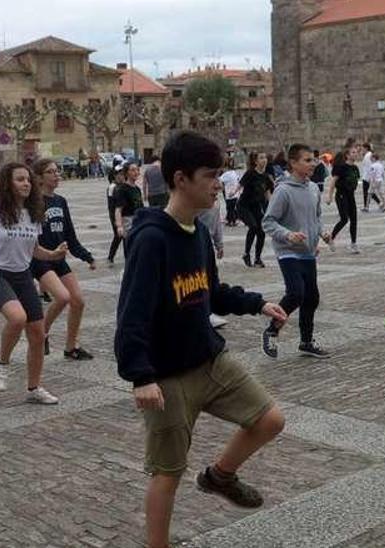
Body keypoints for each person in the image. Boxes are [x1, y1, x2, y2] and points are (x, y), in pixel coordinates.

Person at [115, 130, 288, 548]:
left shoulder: (196, 231)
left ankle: (219, 476)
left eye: (220, 174)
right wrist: (140, 375)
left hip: (209, 359)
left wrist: (256, 303)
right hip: (167, 376)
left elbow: (210, 291)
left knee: (270, 420)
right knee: (167, 473)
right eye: (210, 175)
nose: (218, 184)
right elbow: (131, 313)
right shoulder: (152, 238)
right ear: (180, 179)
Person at [0, 162, 68, 403]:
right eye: (20, 179)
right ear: (7, 183)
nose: (26, 183)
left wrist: (53, 254)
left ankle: (34, 389)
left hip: (23, 276)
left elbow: (34, 250)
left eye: (28, 180)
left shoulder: (34, 212)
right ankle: (2, 363)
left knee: (37, 334)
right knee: (17, 318)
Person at [262, 143, 332, 359]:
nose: (313, 164)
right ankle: (272, 329)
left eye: (313, 159)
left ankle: (306, 342)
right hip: (288, 251)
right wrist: (287, 234)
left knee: (311, 297)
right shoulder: (283, 190)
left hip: (308, 251)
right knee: (296, 293)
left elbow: (316, 217)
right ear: (293, 163)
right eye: (307, 160)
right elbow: (269, 222)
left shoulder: (312, 189)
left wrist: (322, 233)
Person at [30, 158, 98, 360]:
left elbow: (70, 236)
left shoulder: (61, 201)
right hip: (40, 259)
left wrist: (87, 256)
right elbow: (28, 238)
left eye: (57, 171)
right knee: (63, 297)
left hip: (59, 258)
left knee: (78, 301)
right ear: (40, 178)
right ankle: (42, 332)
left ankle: (71, 347)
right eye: (51, 172)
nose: (57, 175)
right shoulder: (33, 203)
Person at [196, 185, 229, 329]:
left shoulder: (214, 202)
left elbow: (217, 224)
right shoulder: (198, 202)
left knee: (210, 277)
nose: (218, 186)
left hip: (208, 243)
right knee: (200, 279)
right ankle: (205, 313)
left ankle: (208, 312)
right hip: (196, 242)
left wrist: (219, 244)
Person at [238, 152, 274, 268]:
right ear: (256, 161)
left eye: (265, 158)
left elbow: (268, 194)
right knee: (253, 226)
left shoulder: (266, 177)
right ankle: (246, 253)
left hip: (256, 207)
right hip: (243, 206)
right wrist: (232, 193)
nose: (264, 160)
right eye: (261, 158)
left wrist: (272, 208)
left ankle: (258, 258)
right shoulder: (250, 173)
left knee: (261, 231)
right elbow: (240, 185)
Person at [325, 144, 363, 254]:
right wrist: (329, 196)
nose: (356, 154)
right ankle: (331, 238)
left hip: (351, 195)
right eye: (353, 152)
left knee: (354, 220)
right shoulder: (341, 167)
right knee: (344, 219)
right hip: (341, 195)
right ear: (347, 155)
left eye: (356, 152)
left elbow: (355, 181)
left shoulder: (355, 168)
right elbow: (333, 181)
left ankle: (353, 244)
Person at [108, 161, 144, 264]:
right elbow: (118, 209)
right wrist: (119, 226)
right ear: (127, 173)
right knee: (130, 250)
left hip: (138, 221)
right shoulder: (122, 189)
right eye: (133, 170)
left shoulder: (137, 189)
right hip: (128, 222)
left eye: (137, 170)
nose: (136, 172)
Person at [361, 144, 385, 212]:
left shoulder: (368, 155)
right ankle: (380, 204)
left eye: (362, 148)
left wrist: (370, 179)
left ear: (366, 148)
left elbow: (370, 167)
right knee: (373, 192)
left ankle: (368, 206)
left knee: (368, 193)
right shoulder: (369, 155)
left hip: (368, 177)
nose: (361, 150)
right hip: (376, 179)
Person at [221, 161, 242, 226]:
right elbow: (238, 180)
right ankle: (234, 220)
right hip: (235, 194)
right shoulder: (234, 173)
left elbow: (220, 180)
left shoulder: (225, 174)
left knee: (229, 208)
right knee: (233, 208)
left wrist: (223, 188)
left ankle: (231, 221)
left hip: (229, 194)